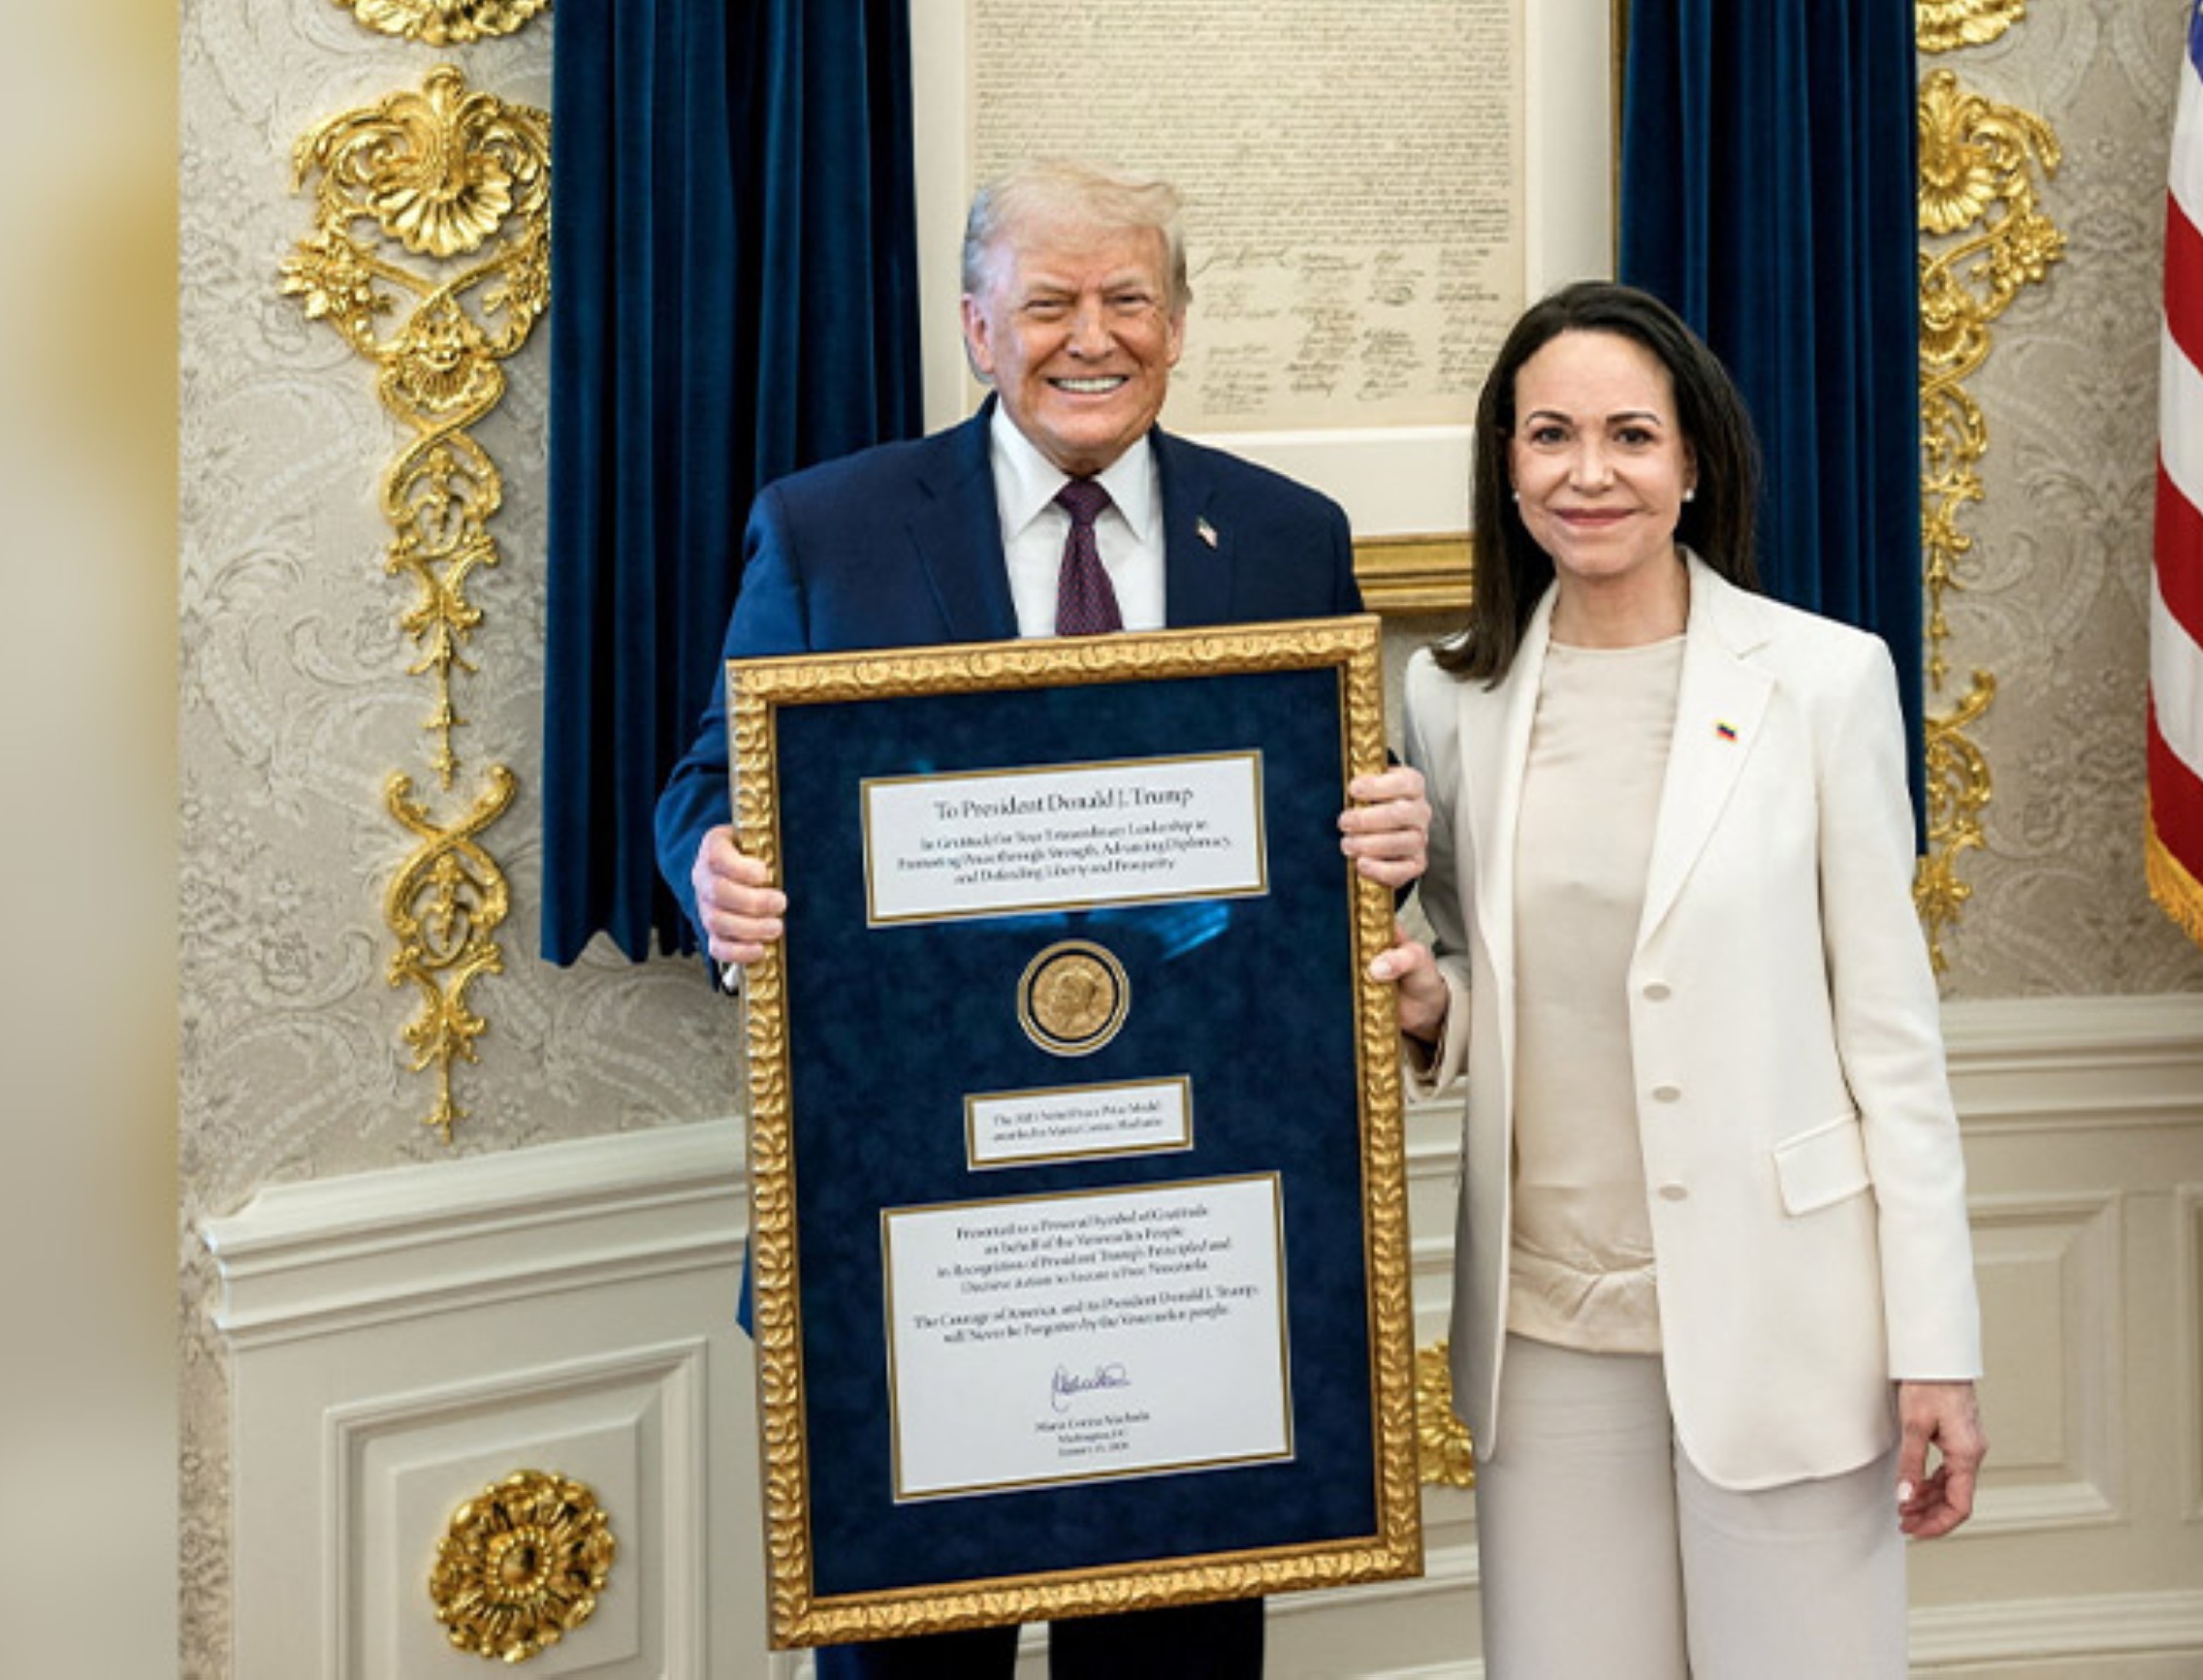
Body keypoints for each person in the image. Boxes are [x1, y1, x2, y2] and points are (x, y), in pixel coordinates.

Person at [655, 159, 1429, 1680]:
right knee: (909, 1655)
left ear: (1179, 323)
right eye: (1052, 302)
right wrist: (714, 866)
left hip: (1193, 1200)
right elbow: (710, 780)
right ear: (975, 326)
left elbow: (1317, 828)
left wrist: (1389, 834)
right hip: (911, 1200)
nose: (1095, 337)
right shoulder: (832, 526)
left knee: (1176, 1652)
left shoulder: (1284, 533)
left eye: (1130, 299)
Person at [1370, 281, 1986, 1678]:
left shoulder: (1823, 682)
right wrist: (1428, 1007)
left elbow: (1892, 1039)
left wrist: (1936, 1346)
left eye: (1631, 436)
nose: (1590, 473)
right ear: (1507, 464)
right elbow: (1476, 963)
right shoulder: (1451, 700)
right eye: (1550, 436)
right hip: (1544, 1326)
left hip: (1789, 1316)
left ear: (1694, 462)